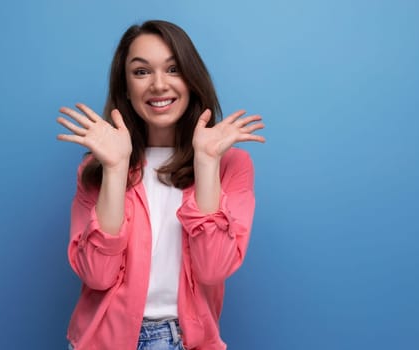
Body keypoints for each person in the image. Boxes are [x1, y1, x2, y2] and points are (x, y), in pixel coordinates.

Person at [56, 20, 265, 350]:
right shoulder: (95, 169)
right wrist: (114, 168)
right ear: (125, 86)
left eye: (173, 69)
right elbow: (97, 275)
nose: (158, 84)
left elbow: (213, 270)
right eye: (141, 72)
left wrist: (207, 163)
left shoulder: (231, 165)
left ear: (191, 79)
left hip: (189, 341)